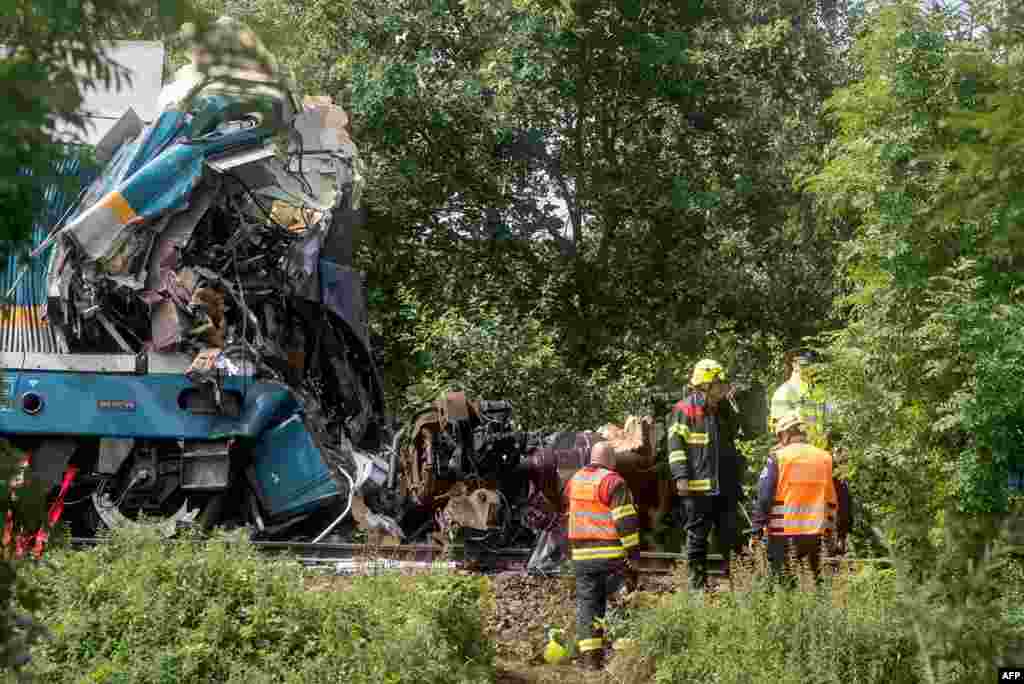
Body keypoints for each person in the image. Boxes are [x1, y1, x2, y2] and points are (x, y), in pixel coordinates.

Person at [668, 358, 745, 591]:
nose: (723, 387)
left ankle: (735, 586)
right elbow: (675, 446)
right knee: (697, 539)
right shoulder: (683, 410)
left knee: (729, 537)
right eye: (719, 384)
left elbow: (735, 435)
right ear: (705, 385)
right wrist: (680, 477)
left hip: (724, 488)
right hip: (697, 489)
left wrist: (732, 406)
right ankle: (696, 589)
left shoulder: (723, 410)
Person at [564, 441, 641, 671]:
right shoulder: (613, 481)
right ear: (612, 461)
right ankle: (624, 661)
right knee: (622, 602)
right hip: (610, 557)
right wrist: (633, 555)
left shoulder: (574, 481)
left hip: (582, 558)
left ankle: (590, 661)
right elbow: (625, 521)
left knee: (588, 606)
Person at [751, 413, 841, 586]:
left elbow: (764, 496)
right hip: (818, 533)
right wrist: (840, 533)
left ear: (785, 434)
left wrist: (756, 529)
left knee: (783, 585)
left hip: (783, 533)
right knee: (816, 585)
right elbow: (841, 496)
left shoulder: (778, 458)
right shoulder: (825, 458)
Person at [769, 350, 833, 448]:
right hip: (796, 454)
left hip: (820, 454)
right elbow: (780, 429)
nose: (809, 368)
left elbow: (830, 422)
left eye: (811, 365)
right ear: (794, 365)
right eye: (804, 364)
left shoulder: (819, 391)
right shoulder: (783, 392)